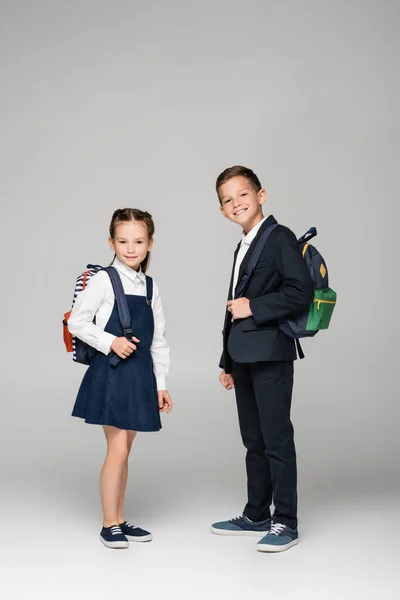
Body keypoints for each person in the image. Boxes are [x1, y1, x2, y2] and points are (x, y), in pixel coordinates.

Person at [210, 166, 313, 553]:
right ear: (222, 211)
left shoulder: (280, 238)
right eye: (227, 200)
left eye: (242, 194)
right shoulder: (244, 244)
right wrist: (227, 362)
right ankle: (257, 514)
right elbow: (231, 307)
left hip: (271, 353)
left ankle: (286, 521)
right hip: (244, 356)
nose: (236, 203)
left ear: (261, 195)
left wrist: (254, 306)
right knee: (253, 440)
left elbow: (299, 292)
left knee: (276, 440)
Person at [68, 208, 172, 549]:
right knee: (117, 450)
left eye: (139, 241)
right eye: (123, 241)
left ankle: (120, 519)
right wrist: (111, 341)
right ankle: (108, 523)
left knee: (125, 450)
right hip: (111, 375)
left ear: (150, 243)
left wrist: (161, 385)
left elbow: (158, 340)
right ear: (111, 242)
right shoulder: (103, 280)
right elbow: (78, 323)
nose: (131, 248)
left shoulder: (150, 287)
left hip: (139, 377)